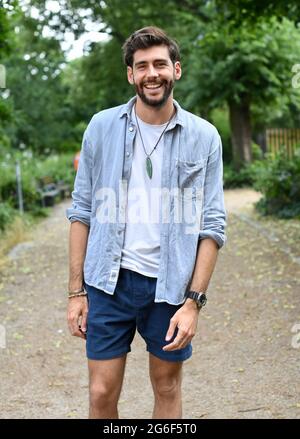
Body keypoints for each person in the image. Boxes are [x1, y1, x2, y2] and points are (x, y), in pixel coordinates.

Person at [66, 26, 226, 419]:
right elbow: (81, 210)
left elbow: (213, 224)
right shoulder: (101, 128)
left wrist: (194, 303)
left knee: (167, 386)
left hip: (170, 287)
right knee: (101, 392)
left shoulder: (204, 137)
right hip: (108, 281)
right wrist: (75, 293)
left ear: (176, 69)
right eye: (142, 66)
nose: (151, 73)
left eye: (159, 64)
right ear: (130, 75)